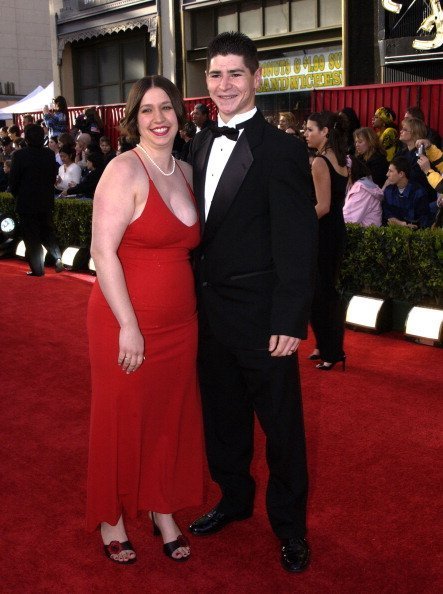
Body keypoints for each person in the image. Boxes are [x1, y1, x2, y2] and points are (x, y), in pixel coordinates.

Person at [187, 32, 317, 574]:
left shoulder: (284, 150)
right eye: (215, 75)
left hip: (265, 320)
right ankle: (234, 499)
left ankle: (289, 526)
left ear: (257, 78)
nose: (224, 85)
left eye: (235, 74)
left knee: (281, 428)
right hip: (209, 318)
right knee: (224, 420)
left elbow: (298, 240)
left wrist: (290, 317)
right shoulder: (194, 145)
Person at [86, 75, 204, 564]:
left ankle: (162, 510)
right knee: (121, 417)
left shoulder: (186, 171)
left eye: (166, 108)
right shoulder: (121, 170)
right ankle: (111, 518)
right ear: (133, 120)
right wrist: (129, 326)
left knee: (168, 416)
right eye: (147, 111)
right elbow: (102, 252)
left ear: (180, 113)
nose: (158, 119)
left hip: (182, 324)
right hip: (124, 321)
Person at [304, 111, 348, 371]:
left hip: (323, 234)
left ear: (325, 132)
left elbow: (323, 206)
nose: (306, 133)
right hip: (335, 232)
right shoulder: (342, 159)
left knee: (320, 295)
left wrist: (297, 222)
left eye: (310, 129)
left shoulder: (320, 162)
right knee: (324, 292)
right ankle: (326, 346)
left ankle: (331, 351)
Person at [9, 124, 63, 276]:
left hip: (26, 201)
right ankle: (58, 258)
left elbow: (13, 181)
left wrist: (17, 195)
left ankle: (38, 269)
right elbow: (52, 177)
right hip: (45, 200)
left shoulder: (19, 155)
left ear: (26, 138)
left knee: (31, 236)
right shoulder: (49, 154)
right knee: (47, 231)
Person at [383, 156, 430, 229]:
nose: (387, 174)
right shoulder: (388, 191)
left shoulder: (418, 193)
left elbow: (423, 222)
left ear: (401, 174)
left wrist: (398, 223)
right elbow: (387, 216)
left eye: (391, 171)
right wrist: (402, 224)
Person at [343, 156, 383, 226]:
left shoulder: (361, 189)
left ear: (349, 170)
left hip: (366, 235)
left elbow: (349, 219)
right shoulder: (351, 186)